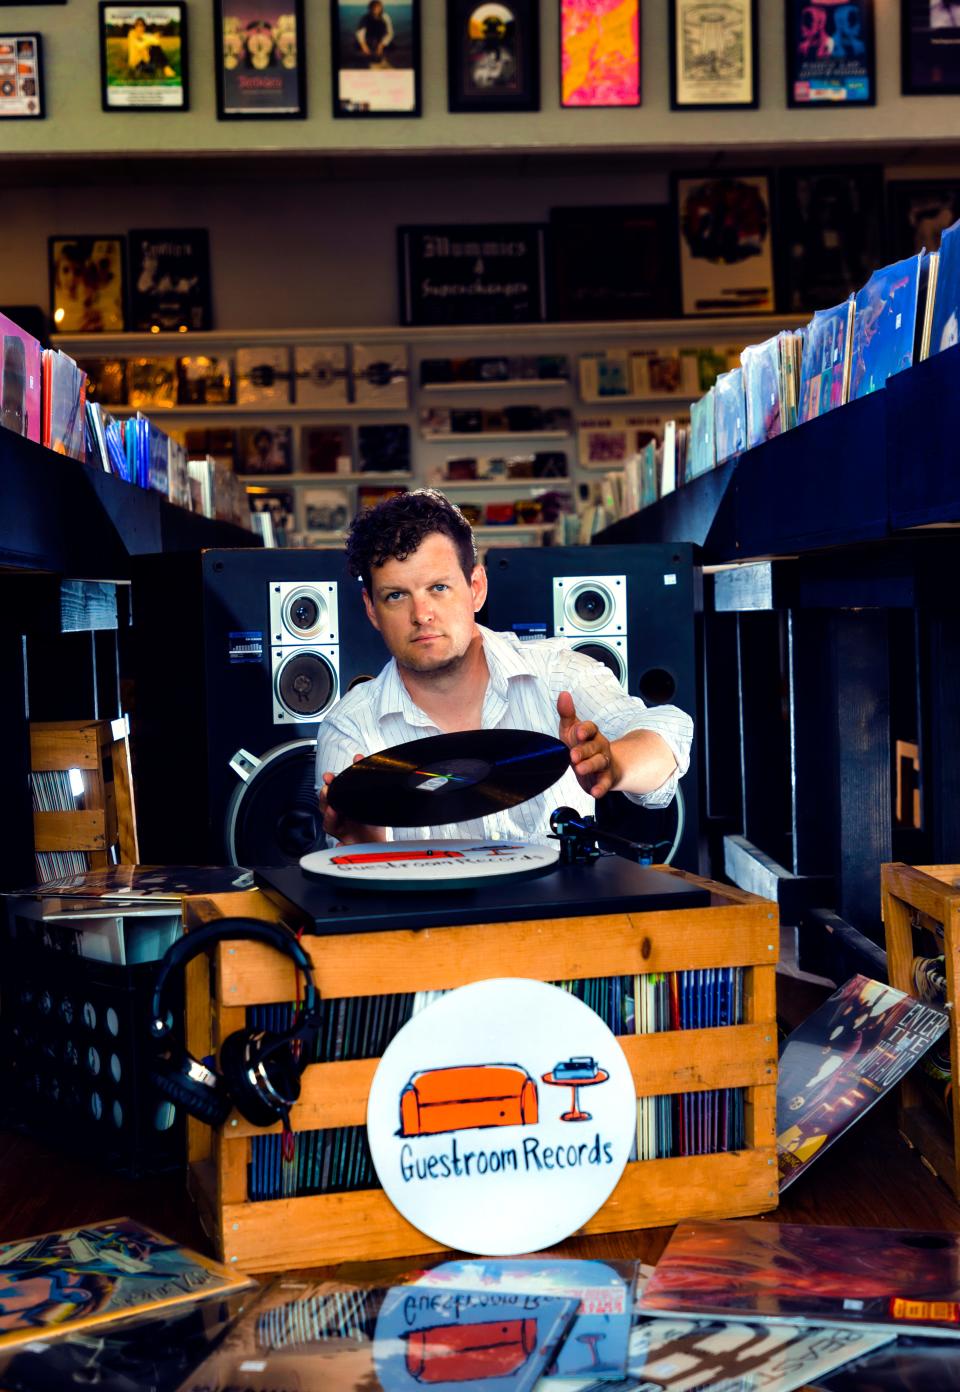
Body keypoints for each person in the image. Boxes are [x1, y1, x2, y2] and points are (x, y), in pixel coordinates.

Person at [315, 490, 693, 846]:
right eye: (396, 595)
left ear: (476, 587)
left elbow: (668, 735)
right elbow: (362, 879)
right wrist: (364, 847)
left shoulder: (556, 674)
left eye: (439, 588)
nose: (421, 614)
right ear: (371, 609)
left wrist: (615, 762)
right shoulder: (349, 727)